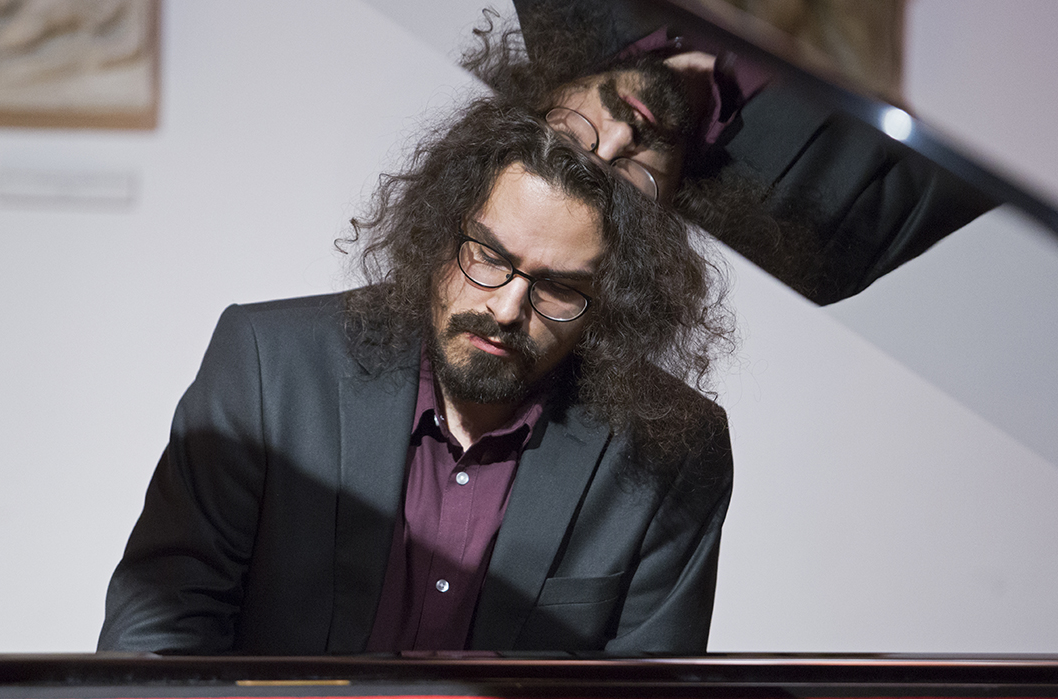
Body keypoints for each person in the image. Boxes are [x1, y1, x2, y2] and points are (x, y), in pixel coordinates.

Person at [97, 100, 734, 656]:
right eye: (489, 257)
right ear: (437, 231)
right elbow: (158, 633)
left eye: (559, 288)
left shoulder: (672, 452)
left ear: (610, 308)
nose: (507, 308)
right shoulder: (269, 366)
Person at [466, 0, 996, 304]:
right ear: (660, 229)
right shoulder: (824, 230)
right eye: (622, 185)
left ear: (536, 103)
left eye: (571, 142)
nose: (621, 136)